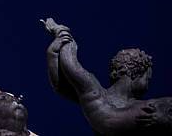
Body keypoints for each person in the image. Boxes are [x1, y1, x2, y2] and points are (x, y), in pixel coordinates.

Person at [43, 17, 172, 135]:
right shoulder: (95, 93)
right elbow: (68, 69)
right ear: (133, 73)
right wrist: (60, 34)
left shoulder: (147, 105)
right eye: (146, 79)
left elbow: (62, 84)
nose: (148, 85)